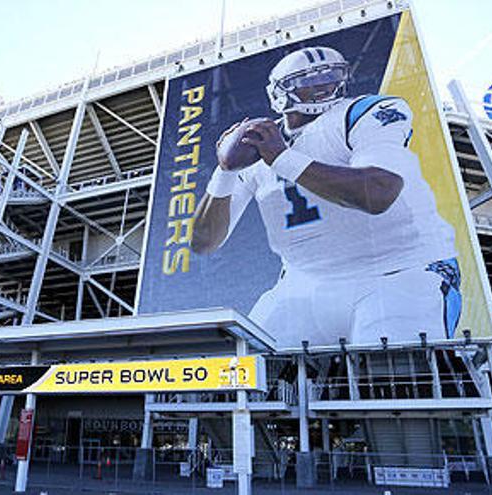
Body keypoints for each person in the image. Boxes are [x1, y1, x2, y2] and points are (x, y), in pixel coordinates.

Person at [192, 46, 460, 348]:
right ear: (281, 93)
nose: (324, 86)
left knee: (394, 378)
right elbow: (204, 242)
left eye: (331, 76)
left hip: (398, 272)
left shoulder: (363, 112)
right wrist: (224, 171)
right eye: (309, 81)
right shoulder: (258, 141)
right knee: (251, 376)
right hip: (304, 285)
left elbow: (379, 193)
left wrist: (282, 158)